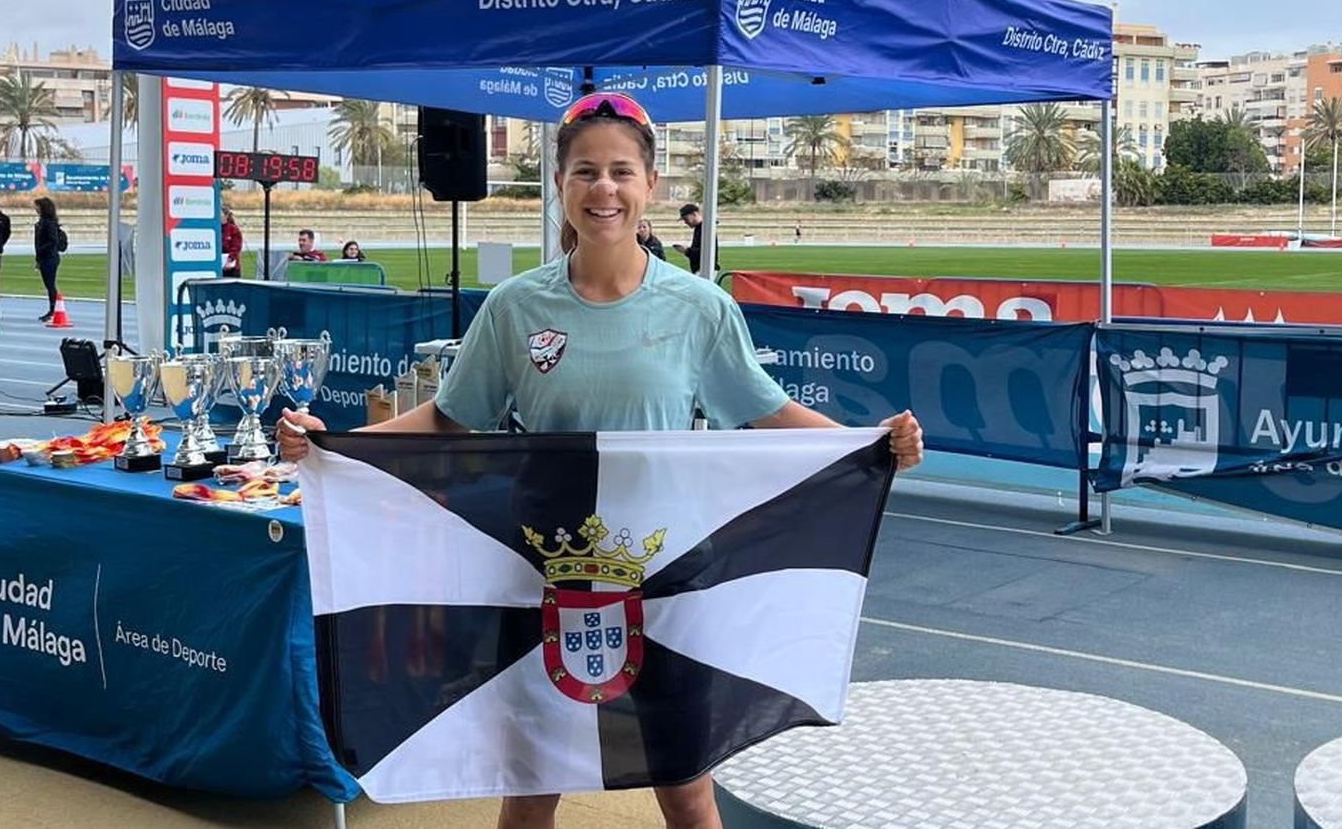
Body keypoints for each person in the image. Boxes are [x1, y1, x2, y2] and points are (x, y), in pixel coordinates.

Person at [278, 90, 923, 829]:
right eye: (585, 171)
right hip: (543, 576)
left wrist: (869, 444)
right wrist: (335, 447)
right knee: (531, 790)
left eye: (621, 172)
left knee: (686, 791)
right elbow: (450, 418)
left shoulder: (699, 308)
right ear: (560, 183)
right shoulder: (516, 307)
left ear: (651, 185)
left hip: (668, 576)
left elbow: (766, 411)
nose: (603, 189)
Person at [32, 197, 63, 322]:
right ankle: (53, 309)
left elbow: (52, 241)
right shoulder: (42, 222)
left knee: (50, 285)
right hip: (44, 257)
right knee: (49, 284)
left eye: (37, 206)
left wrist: (41, 250)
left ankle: (53, 309)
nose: (35, 208)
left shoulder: (48, 223)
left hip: (50, 257)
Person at [670, 202, 716, 274]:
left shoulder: (705, 229)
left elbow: (705, 252)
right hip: (701, 269)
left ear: (694, 214)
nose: (685, 222)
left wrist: (686, 251)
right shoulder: (699, 228)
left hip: (705, 270)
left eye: (686, 218)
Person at [221, 205, 243, 278]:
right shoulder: (215, 229)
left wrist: (229, 259)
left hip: (232, 267)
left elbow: (236, 247)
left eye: (221, 215)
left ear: (226, 216)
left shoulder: (233, 229)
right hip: (219, 265)